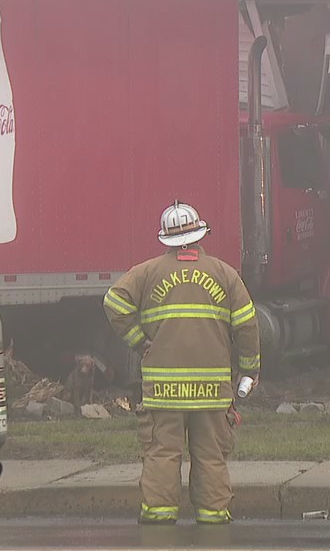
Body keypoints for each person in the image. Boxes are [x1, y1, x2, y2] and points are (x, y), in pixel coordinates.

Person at [103, 201, 260, 525]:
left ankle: (159, 512)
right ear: (200, 234)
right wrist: (250, 370)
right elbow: (246, 324)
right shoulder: (224, 273)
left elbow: (113, 301)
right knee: (211, 454)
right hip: (212, 388)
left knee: (162, 451)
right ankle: (213, 512)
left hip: (164, 388)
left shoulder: (146, 272)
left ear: (166, 239)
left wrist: (138, 340)